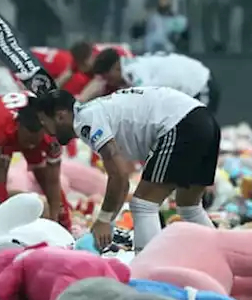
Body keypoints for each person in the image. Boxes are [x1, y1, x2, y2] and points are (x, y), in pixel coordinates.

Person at [32, 87, 221, 251]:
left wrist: (104, 220)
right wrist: (109, 219)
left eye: (44, 122)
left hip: (181, 123)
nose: (46, 131)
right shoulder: (94, 111)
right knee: (189, 206)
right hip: (204, 119)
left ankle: (148, 269)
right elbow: (121, 182)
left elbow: (120, 176)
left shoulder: (85, 120)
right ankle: (222, 253)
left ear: (60, 116)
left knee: (143, 205)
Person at [0, 90, 69, 229]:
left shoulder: (52, 137)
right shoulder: (0, 129)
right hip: (2, 127)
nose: (30, 145)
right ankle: (0, 223)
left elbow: (53, 181)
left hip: (28, 131)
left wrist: (58, 221)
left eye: (35, 140)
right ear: (18, 127)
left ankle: (66, 226)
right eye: (27, 139)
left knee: (43, 176)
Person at [84, 49, 218, 113]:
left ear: (116, 68)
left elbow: (145, 101)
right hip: (194, 87)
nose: (110, 83)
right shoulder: (132, 66)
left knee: (200, 133)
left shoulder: (134, 73)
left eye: (109, 78)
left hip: (201, 85)